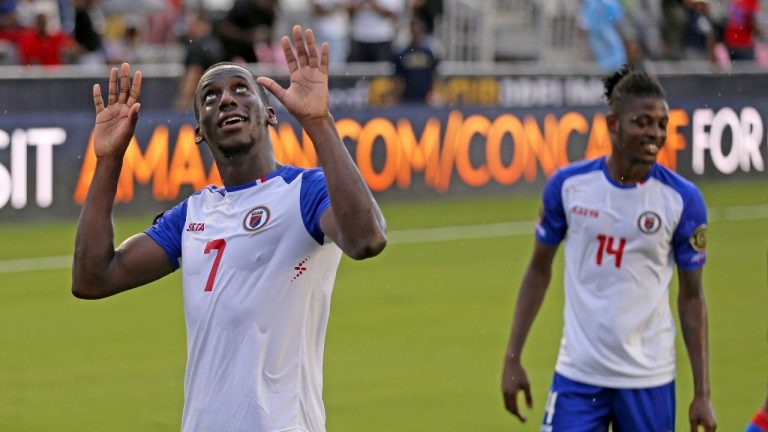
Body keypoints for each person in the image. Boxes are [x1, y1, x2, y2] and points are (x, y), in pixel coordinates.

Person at [71, 25, 387, 432]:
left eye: (241, 89)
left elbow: (367, 239)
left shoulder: (306, 192)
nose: (225, 99)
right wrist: (108, 161)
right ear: (200, 131)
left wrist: (318, 121)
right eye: (210, 96)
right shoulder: (191, 215)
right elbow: (92, 278)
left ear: (269, 113)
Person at [501, 65, 717, 431]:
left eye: (661, 124)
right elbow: (538, 269)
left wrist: (702, 394)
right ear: (613, 124)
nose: (655, 134)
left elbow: (692, 297)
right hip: (578, 376)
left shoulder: (683, 200)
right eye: (643, 122)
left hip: (649, 379)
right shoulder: (568, 187)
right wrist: (512, 357)